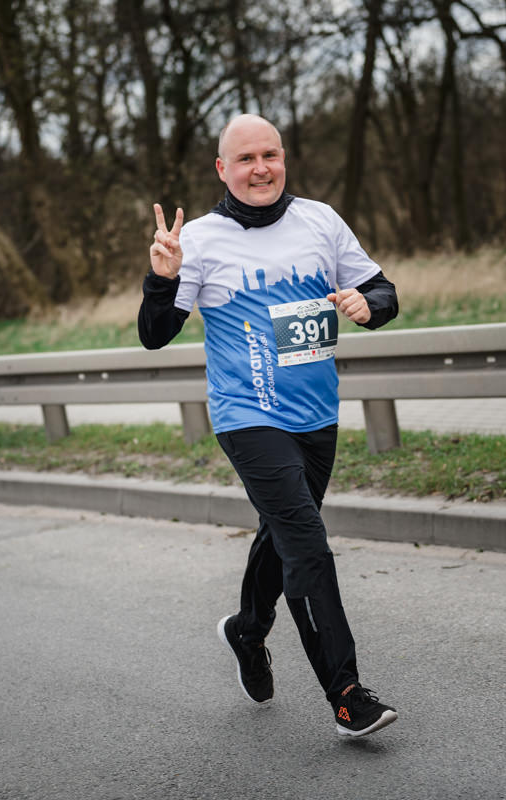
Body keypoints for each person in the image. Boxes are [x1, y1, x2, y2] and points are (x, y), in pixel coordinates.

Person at [138, 114, 400, 737]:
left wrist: (367, 305)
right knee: (306, 543)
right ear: (222, 169)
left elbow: (383, 290)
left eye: (271, 155)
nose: (261, 169)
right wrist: (163, 280)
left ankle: (247, 631)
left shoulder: (321, 220)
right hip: (247, 416)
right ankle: (346, 694)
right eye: (246, 159)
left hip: (317, 414)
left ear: (283, 159)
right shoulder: (198, 240)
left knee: (282, 532)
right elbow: (154, 334)